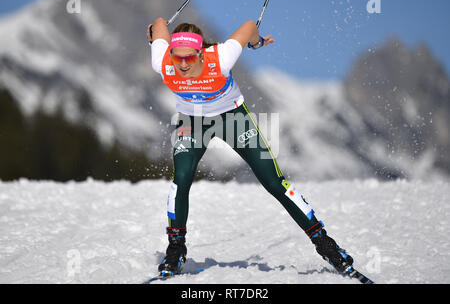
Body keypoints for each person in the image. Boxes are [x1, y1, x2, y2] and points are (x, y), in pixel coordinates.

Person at [148, 17, 354, 277]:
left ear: (201, 53)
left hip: (232, 118)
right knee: (182, 178)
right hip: (192, 120)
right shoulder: (163, 62)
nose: (183, 65)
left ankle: (326, 245)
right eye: (177, 58)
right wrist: (155, 31)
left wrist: (256, 43)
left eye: (189, 58)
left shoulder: (221, 57)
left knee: (273, 181)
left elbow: (249, 26)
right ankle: (176, 249)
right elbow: (158, 23)